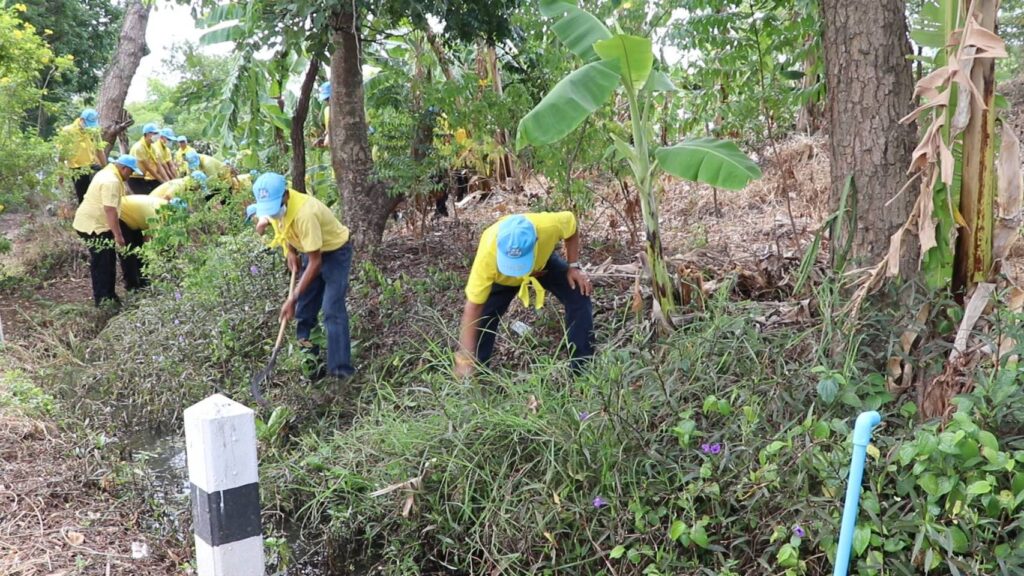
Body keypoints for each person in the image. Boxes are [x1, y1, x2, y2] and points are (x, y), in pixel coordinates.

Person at [455, 212, 594, 376]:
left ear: (536, 241)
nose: (517, 272)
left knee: (579, 293)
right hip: (502, 278)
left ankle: (582, 369)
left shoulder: (549, 226)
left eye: (520, 264)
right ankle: (477, 373)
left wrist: (573, 266)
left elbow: (572, 226)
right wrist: (465, 357)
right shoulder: (488, 254)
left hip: (542, 267)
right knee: (483, 318)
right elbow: (473, 307)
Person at [252, 172, 355, 380]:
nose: (271, 213)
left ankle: (341, 372)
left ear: (285, 196)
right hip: (311, 250)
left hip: (334, 253)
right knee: (304, 311)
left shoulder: (305, 214)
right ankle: (312, 367)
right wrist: (290, 251)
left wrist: (292, 297)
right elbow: (282, 226)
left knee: (331, 310)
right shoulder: (275, 209)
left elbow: (316, 262)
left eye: (273, 207)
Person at [71, 156, 146, 306]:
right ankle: (104, 300)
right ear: (124, 168)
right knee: (103, 263)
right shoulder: (111, 181)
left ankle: (109, 297)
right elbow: (110, 210)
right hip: (94, 226)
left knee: (107, 260)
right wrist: (118, 235)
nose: (131, 175)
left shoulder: (109, 173)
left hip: (95, 223)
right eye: (131, 171)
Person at [59, 108, 107, 204]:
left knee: (100, 190)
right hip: (77, 169)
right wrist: (61, 174)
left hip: (91, 164)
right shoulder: (68, 131)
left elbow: (100, 150)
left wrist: (106, 168)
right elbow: (62, 155)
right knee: (84, 197)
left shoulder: (94, 131)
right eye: (88, 125)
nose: (89, 128)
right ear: (81, 120)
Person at [128, 123, 169, 194]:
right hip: (134, 177)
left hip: (142, 177)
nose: (157, 136)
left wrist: (167, 181)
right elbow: (149, 168)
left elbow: (159, 165)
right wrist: (162, 181)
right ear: (147, 134)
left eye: (157, 133)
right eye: (154, 133)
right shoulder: (139, 147)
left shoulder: (152, 147)